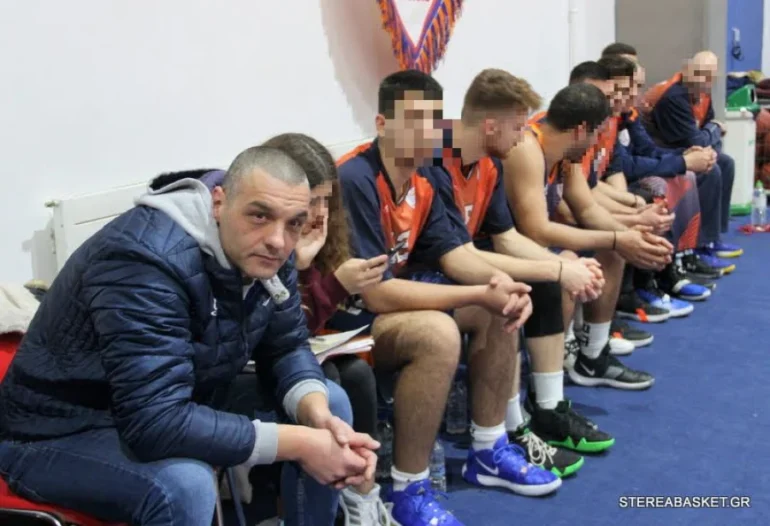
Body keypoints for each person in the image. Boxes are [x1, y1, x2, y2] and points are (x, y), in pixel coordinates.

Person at [0, 147, 380, 526]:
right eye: (259, 215)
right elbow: (155, 422)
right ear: (219, 203)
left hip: (172, 397)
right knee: (186, 485)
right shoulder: (145, 258)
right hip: (57, 432)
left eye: (294, 223)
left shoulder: (265, 250)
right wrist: (302, 444)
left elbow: (286, 346)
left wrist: (317, 417)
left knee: (330, 402)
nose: (278, 241)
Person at [336, 70, 559, 526]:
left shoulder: (423, 179)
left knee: (497, 307)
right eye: (414, 119)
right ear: (382, 124)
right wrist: (484, 289)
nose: (427, 131)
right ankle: (407, 489)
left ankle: (489, 448)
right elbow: (375, 294)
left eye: (434, 119)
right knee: (438, 333)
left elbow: (456, 254)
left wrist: (502, 286)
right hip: (341, 326)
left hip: (387, 309)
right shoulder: (356, 177)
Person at [424, 68, 614, 477]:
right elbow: (456, 257)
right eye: (517, 125)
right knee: (509, 297)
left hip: (462, 261)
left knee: (542, 279)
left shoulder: (490, 164)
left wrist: (562, 266)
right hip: (424, 276)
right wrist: (556, 268)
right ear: (490, 125)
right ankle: (511, 430)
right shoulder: (435, 163)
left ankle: (544, 411)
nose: (522, 135)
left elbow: (507, 237)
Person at [503, 82, 673, 390]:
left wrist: (633, 237)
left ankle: (593, 355)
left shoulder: (565, 153)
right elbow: (536, 230)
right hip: (507, 246)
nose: (597, 143)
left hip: (533, 242)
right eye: (596, 133)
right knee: (571, 263)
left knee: (612, 250)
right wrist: (619, 238)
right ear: (582, 130)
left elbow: (587, 208)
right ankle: (547, 385)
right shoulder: (528, 148)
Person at [263, 132, 391, 525]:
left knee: (357, 376)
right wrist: (325, 281)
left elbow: (303, 327)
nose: (320, 211)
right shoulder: (268, 234)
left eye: (326, 200)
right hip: (255, 361)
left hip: (297, 348)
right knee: (332, 383)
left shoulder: (321, 231)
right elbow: (278, 330)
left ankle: (359, 495)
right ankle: (314, 508)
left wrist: (321, 278)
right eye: (312, 200)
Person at [601, 43, 735, 281]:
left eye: (637, 85)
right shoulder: (669, 97)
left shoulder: (627, 113)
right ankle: (662, 271)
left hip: (640, 165)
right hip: (622, 180)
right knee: (668, 182)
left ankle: (693, 249)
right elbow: (625, 165)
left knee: (718, 163)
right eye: (627, 86)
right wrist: (683, 161)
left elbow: (645, 150)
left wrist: (685, 157)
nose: (635, 95)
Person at [640, 50, 743, 265]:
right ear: (687, 70)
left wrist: (710, 134)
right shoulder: (674, 96)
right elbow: (700, 137)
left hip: (682, 147)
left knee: (725, 163)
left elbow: (706, 132)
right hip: (661, 150)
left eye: (708, 75)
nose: (702, 79)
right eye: (698, 72)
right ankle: (700, 244)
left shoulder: (703, 93)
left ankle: (714, 237)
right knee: (710, 170)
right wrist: (714, 130)